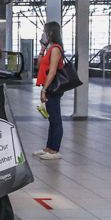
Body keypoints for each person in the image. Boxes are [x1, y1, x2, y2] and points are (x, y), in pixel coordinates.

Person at [34, 21, 64, 160]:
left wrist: (44, 90)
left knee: (55, 118)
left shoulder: (56, 49)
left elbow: (52, 71)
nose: (44, 34)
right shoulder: (50, 49)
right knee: (51, 118)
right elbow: (39, 64)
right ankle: (49, 147)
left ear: (51, 32)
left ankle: (55, 150)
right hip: (48, 87)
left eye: (46, 31)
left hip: (52, 88)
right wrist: (42, 48)